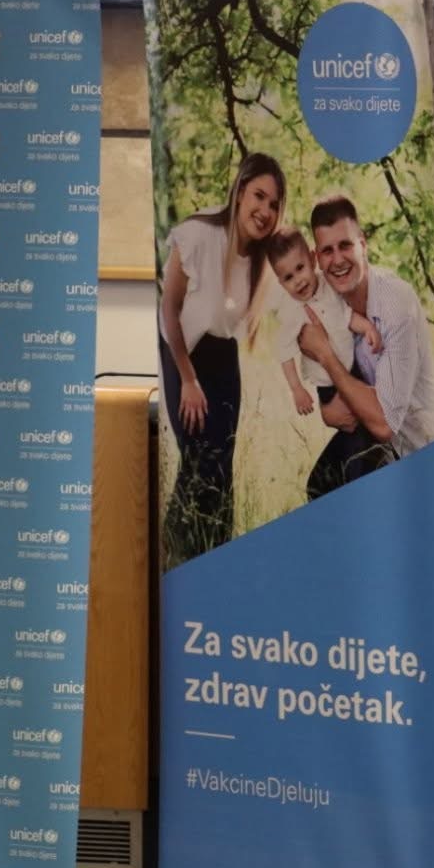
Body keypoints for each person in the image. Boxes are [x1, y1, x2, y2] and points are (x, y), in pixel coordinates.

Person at [157, 152, 285, 562]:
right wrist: (187, 379)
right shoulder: (198, 234)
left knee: (222, 472)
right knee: (198, 464)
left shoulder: (261, 260)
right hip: (184, 350)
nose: (265, 210)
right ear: (240, 191)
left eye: (274, 204)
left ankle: (217, 560)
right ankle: (172, 558)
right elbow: (169, 308)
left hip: (223, 358)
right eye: (259, 196)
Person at [296, 195, 434, 497]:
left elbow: (384, 423)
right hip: (374, 441)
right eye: (327, 251)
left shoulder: (395, 304)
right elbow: (335, 413)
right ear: (317, 259)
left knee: (361, 473)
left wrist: (325, 354)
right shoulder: (324, 300)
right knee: (320, 483)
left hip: (421, 451)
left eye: (345, 246)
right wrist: (332, 404)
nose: (337, 260)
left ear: (363, 244)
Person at [262, 227, 382, 420]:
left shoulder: (327, 285)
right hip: (328, 384)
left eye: (300, 268)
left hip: (352, 366)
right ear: (281, 283)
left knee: (372, 408)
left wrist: (367, 327)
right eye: (288, 277)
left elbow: (346, 316)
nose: (298, 281)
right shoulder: (291, 311)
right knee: (351, 419)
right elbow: (284, 353)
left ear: (312, 259)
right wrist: (297, 389)